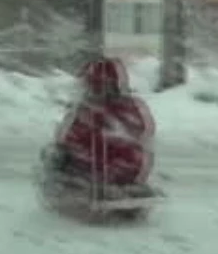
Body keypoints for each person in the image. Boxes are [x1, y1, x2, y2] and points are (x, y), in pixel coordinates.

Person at [51, 56, 156, 197]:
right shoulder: (132, 105)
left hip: (95, 172)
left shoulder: (87, 109)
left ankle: (63, 192)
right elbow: (147, 130)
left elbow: (66, 138)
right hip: (131, 171)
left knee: (58, 155)